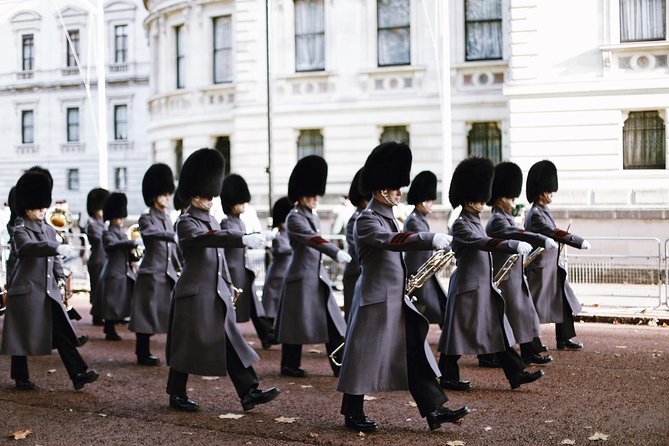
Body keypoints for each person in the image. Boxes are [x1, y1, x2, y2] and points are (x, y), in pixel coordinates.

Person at [337, 142, 469, 432]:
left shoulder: (387, 217)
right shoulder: (367, 220)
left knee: (414, 354)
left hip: (394, 300)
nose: (400, 192)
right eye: (396, 187)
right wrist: (427, 238)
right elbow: (391, 242)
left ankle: (434, 410)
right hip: (375, 302)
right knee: (364, 357)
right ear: (382, 188)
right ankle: (352, 412)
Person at [166, 148, 280, 413]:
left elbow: (220, 259)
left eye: (210, 194)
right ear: (193, 195)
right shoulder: (186, 223)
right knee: (186, 345)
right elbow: (207, 240)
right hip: (194, 295)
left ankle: (249, 392)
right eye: (204, 194)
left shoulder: (213, 219)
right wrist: (241, 239)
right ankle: (176, 393)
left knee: (231, 340)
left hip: (215, 293)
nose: (209, 198)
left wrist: (229, 285)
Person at [438, 157, 544, 392]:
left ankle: (515, 373)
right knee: (456, 335)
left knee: (496, 328)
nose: (482, 202)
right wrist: (511, 245)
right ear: (467, 199)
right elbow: (482, 242)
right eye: (478, 198)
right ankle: (447, 375)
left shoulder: (475, 221)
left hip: (481, 286)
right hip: (467, 287)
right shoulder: (461, 225)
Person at [1, 171, 98, 390]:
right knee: (20, 336)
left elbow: (54, 259)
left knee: (63, 333)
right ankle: (20, 376)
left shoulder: (47, 228)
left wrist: (61, 277)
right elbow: (28, 248)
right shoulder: (20, 230)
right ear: (28, 208)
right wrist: (55, 246)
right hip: (27, 291)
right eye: (39, 207)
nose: (44, 210)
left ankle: (78, 374)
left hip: (48, 292)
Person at [274, 155, 351, 378]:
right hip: (300, 277)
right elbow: (312, 239)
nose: (315, 198)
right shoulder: (294, 218)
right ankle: (289, 365)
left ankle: (340, 363)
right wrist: (336, 252)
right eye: (311, 194)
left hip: (316, 276)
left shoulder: (309, 215)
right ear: (300, 195)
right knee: (294, 325)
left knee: (333, 320)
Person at [485, 162, 556, 365]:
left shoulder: (505, 217)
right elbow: (516, 234)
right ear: (500, 199)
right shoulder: (498, 220)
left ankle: (529, 351)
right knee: (512, 315)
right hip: (504, 276)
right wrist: (541, 239)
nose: (513, 201)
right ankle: (492, 354)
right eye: (510, 197)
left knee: (523, 313)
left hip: (513, 275)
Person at [524, 160, 590, 350]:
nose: (553, 193)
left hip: (552, 266)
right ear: (541, 192)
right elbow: (553, 232)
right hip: (541, 268)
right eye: (550, 190)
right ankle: (531, 344)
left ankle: (564, 338)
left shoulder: (543, 210)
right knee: (533, 307)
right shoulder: (536, 213)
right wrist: (577, 241)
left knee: (564, 302)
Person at [129, 164, 178, 366]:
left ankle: (172, 352)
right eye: (164, 194)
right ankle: (142, 352)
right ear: (154, 195)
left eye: (169, 194)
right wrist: (171, 235)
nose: (168, 197)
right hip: (151, 273)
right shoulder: (146, 218)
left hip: (167, 273)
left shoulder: (167, 218)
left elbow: (173, 250)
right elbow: (149, 234)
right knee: (145, 315)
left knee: (170, 314)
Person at [220, 174, 275, 349]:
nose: (243, 205)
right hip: (232, 271)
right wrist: (250, 237)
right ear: (231, 203)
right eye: (240, 202)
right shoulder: (226, 223)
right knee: (232, 308)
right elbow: (232, 238)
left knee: (254, 306)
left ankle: (267, 335)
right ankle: (227, 339)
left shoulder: (240, 222)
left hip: (243, 270)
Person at [403, 171, 447, 324]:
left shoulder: (420, 219)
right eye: (429, 201)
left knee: (441, 308)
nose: (431, 205)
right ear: (421, 201)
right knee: (424, 312)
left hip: (425, 274)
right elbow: (423, 241)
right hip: (418, 274)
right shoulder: (413, 221)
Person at [98, 193, 138, 341]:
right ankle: (109, 328)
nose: (121, 220)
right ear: (112, 217)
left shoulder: (121, 232)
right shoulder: (107, 233)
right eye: (119, 217)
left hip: (123, 270)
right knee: (111, 302)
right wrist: (131, 243)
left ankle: (112, 325)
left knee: (118, 301)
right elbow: (111, 246)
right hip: (114, 271)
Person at [341, 169, 370, 321]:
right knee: (354, 320)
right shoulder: (356, 219)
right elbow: (359, 248)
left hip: (363, 273)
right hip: (356, 273)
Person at [261, 197, 293, 331]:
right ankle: (268, 332)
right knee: (271, 306)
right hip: (277, 274)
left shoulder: (289, 232)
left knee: (280, 305)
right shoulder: (278, 235)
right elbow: (279, 250)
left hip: (285, 273)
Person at [85, 188, 110, 326]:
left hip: (105, 259)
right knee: (97, 289)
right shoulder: (92, 223)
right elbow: (99, 238)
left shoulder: (104, 223)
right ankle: (97, 316)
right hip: (97, 259)